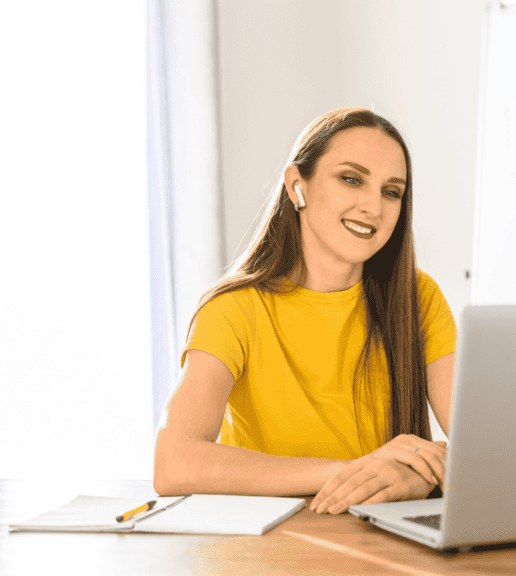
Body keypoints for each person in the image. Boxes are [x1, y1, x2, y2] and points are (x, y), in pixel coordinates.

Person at [154, 107, 456, 516]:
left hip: (383, 541)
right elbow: (175, 463)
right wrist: (356, 472)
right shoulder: (233, 310)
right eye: (352, 179)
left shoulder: (418, 297)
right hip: (273, 545)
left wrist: (422, 475)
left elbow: (486, 451)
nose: (374, 206)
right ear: (298, 186)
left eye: (392, 191)